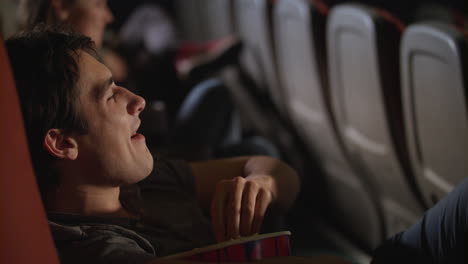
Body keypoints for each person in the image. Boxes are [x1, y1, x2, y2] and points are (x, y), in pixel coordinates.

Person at [6, 27, 300, 263]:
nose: (138, 101)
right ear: (63, 143)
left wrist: (263, 185)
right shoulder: (99, 249)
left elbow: (277, 171)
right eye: (109, 96)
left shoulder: (135, 184)